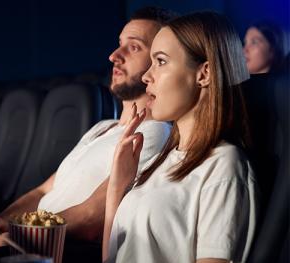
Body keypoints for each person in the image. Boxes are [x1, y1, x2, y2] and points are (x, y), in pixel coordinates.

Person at [0, 6, 175, 249]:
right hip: (33, 233)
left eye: (133, 47)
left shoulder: (153, 132)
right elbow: (43, 191)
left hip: (60, 246)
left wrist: (22, 231)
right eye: (119, 43)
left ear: (158, 62)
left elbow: (93, 216)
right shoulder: (102, 128)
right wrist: (1, 220)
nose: (114, 55)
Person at [103, 11, 258, 263]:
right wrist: (117, 187)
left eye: (161, 61)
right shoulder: (164, 159)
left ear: (204, 74)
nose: (146, 76)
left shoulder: (224, 165)